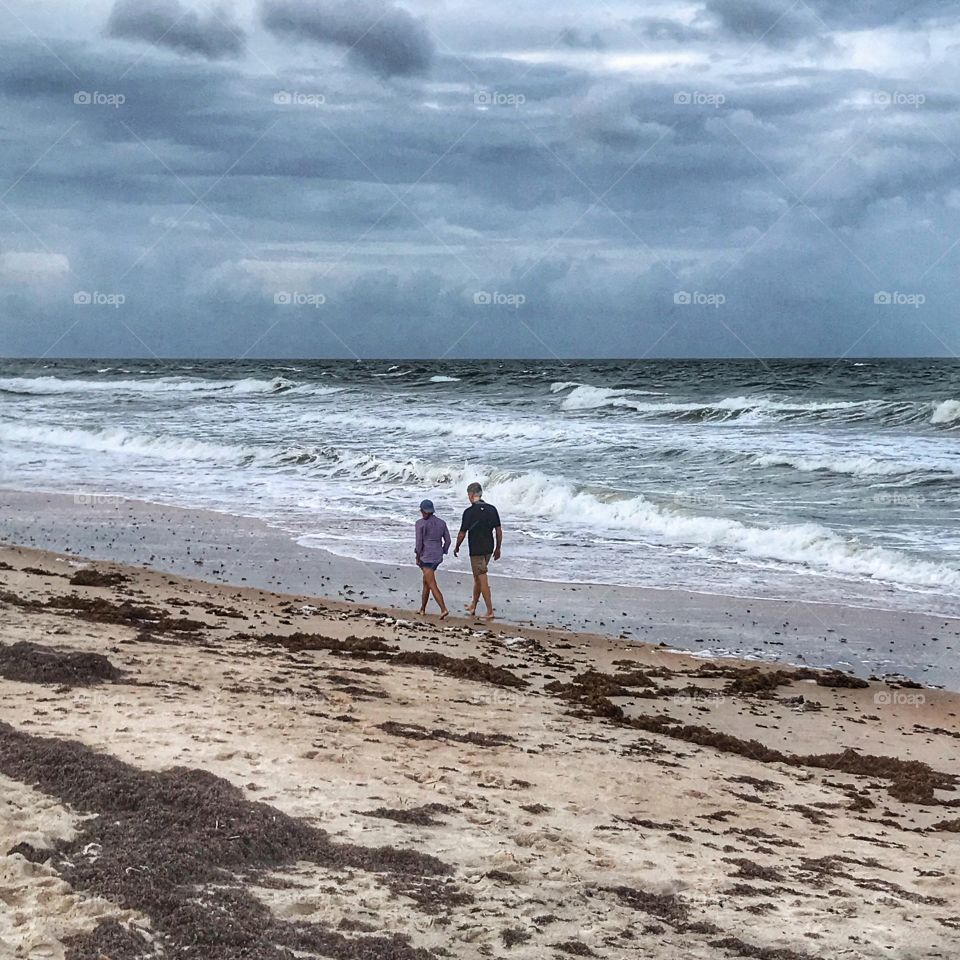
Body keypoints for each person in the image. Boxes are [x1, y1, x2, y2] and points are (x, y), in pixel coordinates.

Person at [454, 482, 502, 620]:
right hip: (489, 547)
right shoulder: (492, 509)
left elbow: (462, 532)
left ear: (471, 495)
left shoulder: (469, 512)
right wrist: (498, 548)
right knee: (478, 577)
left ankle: (489, 611)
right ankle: (473, 605)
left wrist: (457, 546)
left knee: (482, 578)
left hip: (476, 549)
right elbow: (498, 530)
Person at [415, 499, 451, 618]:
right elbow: (448, 540)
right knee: (426, 582)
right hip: (437, 556)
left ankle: (443, 609)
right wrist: (444, 550)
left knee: (431, 583)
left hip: (426, 557)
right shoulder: (442, 523)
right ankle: (422, 609)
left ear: (422, 511)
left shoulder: (420, 524)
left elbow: (419, 543)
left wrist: (417, 556)